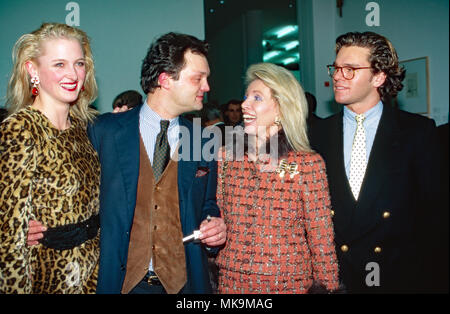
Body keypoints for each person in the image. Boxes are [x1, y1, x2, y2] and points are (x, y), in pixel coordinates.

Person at [89, 32, 226, 294]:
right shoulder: (104, 131)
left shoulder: (203, 139)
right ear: (165, 79)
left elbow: (207, 204)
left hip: (184, 285)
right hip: (121, 284)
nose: (207, 87)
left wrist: (213, 226)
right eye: (198, 78)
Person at [310, 31, 443, 293]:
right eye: (336, 68)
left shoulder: (417, 132)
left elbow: (434, 216)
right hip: (335, 278)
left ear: (379, 77)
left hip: (396, 275)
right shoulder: (315, 134)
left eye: (350, 69)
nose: (337, 76)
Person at [216, 62, 339, 294]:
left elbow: (321, 238)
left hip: (289, 284)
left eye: (257, 98)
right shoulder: (226, 157)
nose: (244, 104)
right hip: (232, 283)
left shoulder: (307, 164)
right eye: (246, 96)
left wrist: (328, 287)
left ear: (282, 108)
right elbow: (217, 216)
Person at [0, 23, 100, 293]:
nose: (72, 74)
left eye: (79, 63)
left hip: (94, 275)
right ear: (32, 69)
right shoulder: (20, 128)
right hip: (49, 279)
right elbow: (10, 239)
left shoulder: (80, 128)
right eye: (59, 64)